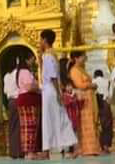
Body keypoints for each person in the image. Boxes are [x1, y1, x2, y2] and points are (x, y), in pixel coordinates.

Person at [38, 30, 77, 158]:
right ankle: (64, 147)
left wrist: (58, 92)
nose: (39, 42)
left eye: (40, 40)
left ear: (44, 40)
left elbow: (53, 77)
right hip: (51, 89)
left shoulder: (49, 56)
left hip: (50, 90)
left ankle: (50, 150)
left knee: (52, 119)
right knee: (57, 118)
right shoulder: (50, 55)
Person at [67, 52, 99, 156]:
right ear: (76, 58)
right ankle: (87, 149)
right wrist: (90, 85)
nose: (85, 58)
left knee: (92, 122)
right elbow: (79, 85)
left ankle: (93, 148)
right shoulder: (74, 70)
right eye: (83, 56)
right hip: (83, 99)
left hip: (89, 98)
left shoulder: (82, 69)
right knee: (86, 123)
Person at [15, 57, 43, 159]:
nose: (33, 62)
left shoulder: (20, 72)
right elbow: (29, 87)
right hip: (29, 101)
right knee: (30, 127)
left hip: (25, 101)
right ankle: (30, 152)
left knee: (26, 127)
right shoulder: (25, 71)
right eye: (32, 59)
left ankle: (28, 152)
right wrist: (38, 87)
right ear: (26, 60)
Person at [92, 69, 113, 153]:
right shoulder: (107, 81)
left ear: (95, 75)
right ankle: (106, 146)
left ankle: (98, 146)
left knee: (97, 125)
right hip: (105, 104)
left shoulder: (93, 81)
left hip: (95, 103)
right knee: (107, 125)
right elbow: (110, 95)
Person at [3, 61, 21, 158]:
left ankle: (13, 152)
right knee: (19, 126)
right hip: (17, 100)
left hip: (10, 101)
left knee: (12, 126)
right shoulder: (16, 75)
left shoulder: (6, 76)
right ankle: (19, 151)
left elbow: (5, 91)